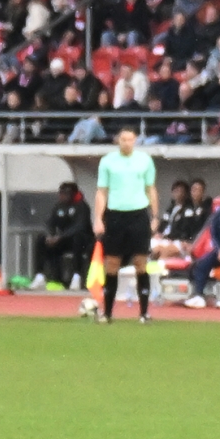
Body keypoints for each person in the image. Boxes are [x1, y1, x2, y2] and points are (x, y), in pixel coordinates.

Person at [92, 126, 159, 323]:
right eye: (123, 139)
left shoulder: (145, 160)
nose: (127, 143)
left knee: (141, 262)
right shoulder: (108, 161)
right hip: (115, 215)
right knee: (112, 263)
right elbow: (102, 191)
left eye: (130, 139)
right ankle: (107, 313)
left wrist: (155, 216)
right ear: (118, 141)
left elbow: (150, 188)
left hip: (138, 214)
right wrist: (98, 218)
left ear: (135, 140)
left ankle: (144, 312)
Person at [33, 180, 93, 288]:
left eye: (66, 193)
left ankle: (77, 276)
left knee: (78, 238)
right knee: (41, 240)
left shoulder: (82, 206)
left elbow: (80, 226)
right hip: (62, 240)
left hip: (81, 241)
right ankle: (40, 276)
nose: (62, 196)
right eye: (61, 193)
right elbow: (50, 223)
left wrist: (60, 237)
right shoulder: (59, 206)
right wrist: (49, 236)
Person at [151, 179, 210, 260]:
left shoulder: (204, 209)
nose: (195, 193)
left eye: (198, 190)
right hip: (172, 239)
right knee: (153, 248)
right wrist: (159, 233)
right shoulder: (172, 208)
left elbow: (196, 229)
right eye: (193, 190)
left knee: (163, 251)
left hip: (185, 242)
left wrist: (188, 241)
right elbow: (164, 223)